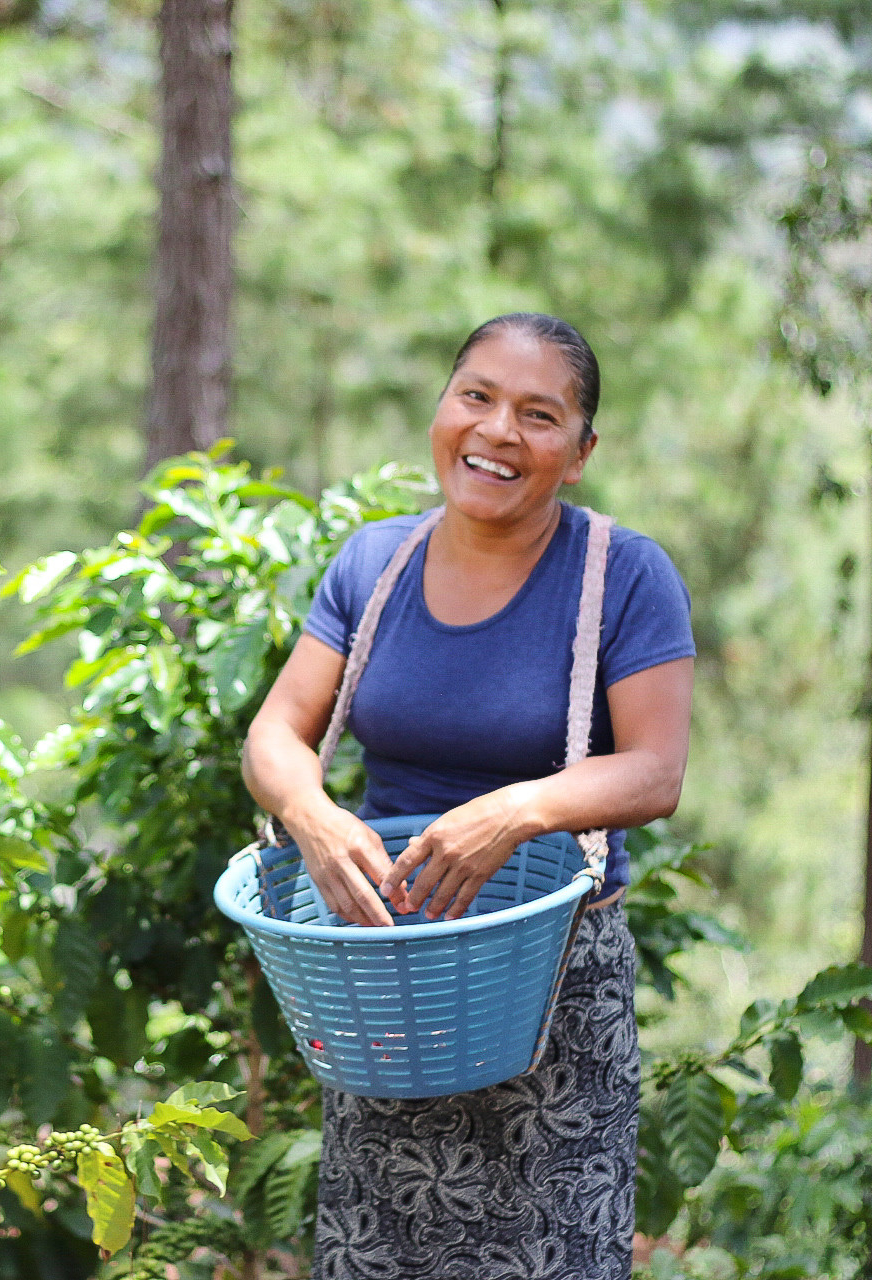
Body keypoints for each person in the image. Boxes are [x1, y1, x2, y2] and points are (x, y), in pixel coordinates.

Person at [240, 312, 696, 1279]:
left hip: (555, 993)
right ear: (442, 409)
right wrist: (314, 816)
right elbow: (276, 736)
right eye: (476, 397)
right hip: (393, 986)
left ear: (579, 453)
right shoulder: (373, 565)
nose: (497, 431)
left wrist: (520, 809)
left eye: (539, 414)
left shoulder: (623, 577)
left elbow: (655, 770)